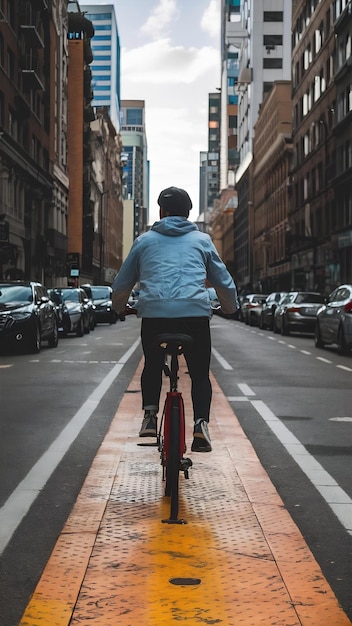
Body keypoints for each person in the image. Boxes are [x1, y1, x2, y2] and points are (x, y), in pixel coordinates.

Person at [112, 186, 239, 452]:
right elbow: (224, 283)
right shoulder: (203, 241)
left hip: (155, 315)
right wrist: (228, 308)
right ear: (188, 213)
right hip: (194, 315)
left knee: (152, 364)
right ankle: (201, 425)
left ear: (161, 211)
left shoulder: (144, 241)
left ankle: (149, 415)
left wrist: (120, 308)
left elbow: (122, 284)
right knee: (200, 373)